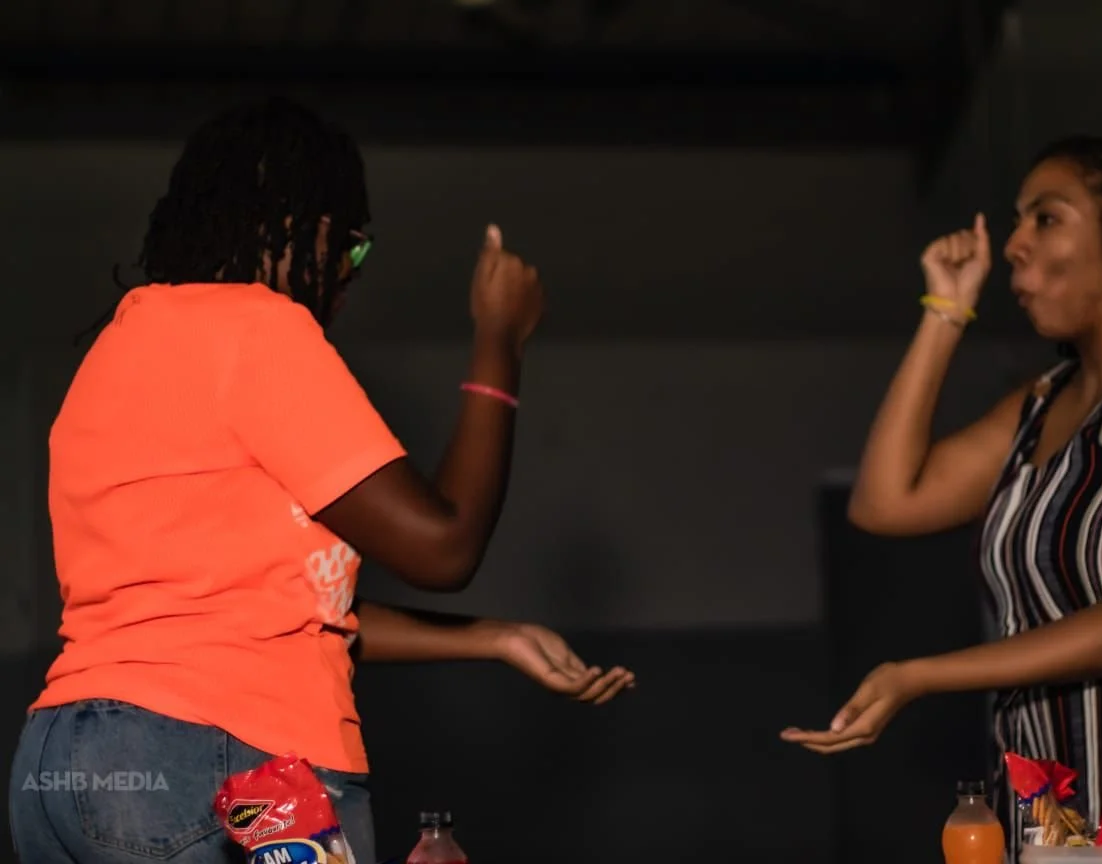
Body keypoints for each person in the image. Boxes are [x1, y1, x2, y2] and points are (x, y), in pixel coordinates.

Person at [8, 97, 634, 864]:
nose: (347, 273)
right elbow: (445, 547)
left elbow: (276, 612)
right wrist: (499, 338)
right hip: (231, 764)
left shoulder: (116, 351)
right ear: (294, 228)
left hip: (60, 768)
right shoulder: (259, 328)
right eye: (350, 247)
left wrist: (493, 638)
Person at [781, 136, 1102, 862]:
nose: (1015, 243)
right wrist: (946, 309)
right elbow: (884, 502)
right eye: (1017, 221)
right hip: (1049, 775)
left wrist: (918, 675)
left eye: (1045, 219)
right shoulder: (1044, 402)